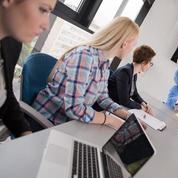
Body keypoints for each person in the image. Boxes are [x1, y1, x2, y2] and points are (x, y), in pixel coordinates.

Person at [33, 17, 139, 130]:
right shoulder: (85, 57)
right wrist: (110, 120)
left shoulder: (104, 62)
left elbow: (102, 97)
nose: (132, 50)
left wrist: (128, 116)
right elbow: (74, 108)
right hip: (48, 122)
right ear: (125, 44)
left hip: (70, 124)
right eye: (133, 45)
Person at [0, 0, 57, 137]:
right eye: (43, 10)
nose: (46, 25)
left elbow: (5, 94)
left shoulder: (11, 43)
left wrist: (25, 133)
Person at [108, 45, 156, 115]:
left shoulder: (133, 72)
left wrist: (144, 104)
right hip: (109, 107)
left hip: (117, 106)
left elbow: (134, 93)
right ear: (143, 62)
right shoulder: (124, 72)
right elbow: (124, 101)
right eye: (150, 63)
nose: (150, 66)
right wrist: (141, 107)